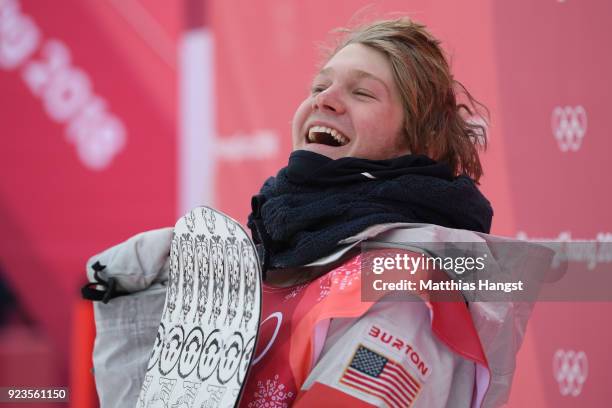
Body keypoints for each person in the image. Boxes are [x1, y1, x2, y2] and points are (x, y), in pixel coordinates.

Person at [87, 17, 538, 408]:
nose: (326, 99)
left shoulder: (407, 285)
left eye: (363, 92)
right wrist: (138, 318)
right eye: (320, 86)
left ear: (420, 142)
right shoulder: (275, 258)